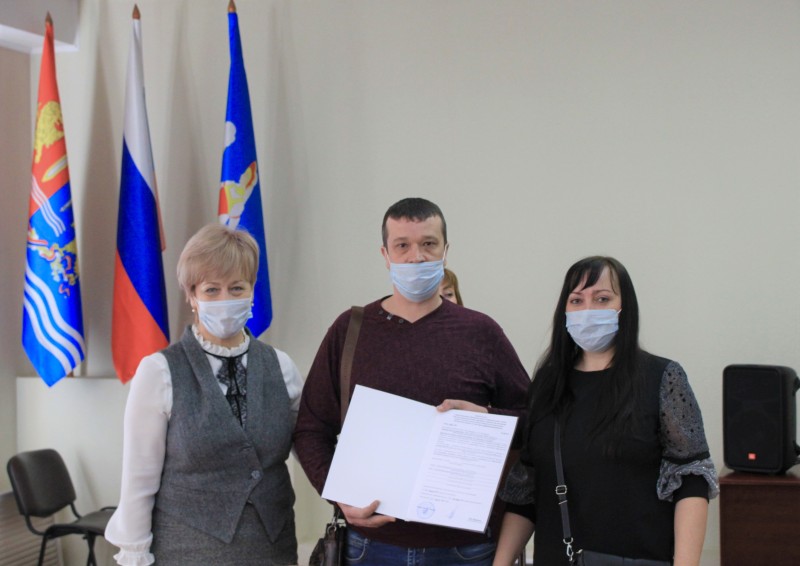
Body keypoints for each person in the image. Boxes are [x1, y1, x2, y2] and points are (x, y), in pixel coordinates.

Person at [293, 197, 530, 566]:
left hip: (465, 549)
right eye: (402, 245)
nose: (416, 257)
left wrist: (487, 417)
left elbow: (535, 421)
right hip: (370, 546)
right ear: (385, 254)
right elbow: (310, 428)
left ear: (446, 251)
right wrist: (336, 493)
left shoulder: (481, 332)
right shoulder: (350, 330)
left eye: (428, 244)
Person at [493, 256, 719, 566]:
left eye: (602, 299)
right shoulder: (548, 384)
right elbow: (526, 489)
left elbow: (691, 479)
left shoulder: (662, 378)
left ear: (625, 307)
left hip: (638, 558)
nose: (588, 310)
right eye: (577, 300)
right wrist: (501, 562)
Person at [105, 224, 302, 566]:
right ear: (192, 296)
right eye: (212, 290)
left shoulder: (281, 366)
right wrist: (134, 554)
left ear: (252, 290)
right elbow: (139, 478)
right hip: (188, 549)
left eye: (237, 287)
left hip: (272, 547)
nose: (226, 299)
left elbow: (311, 445)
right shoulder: (159, 371)